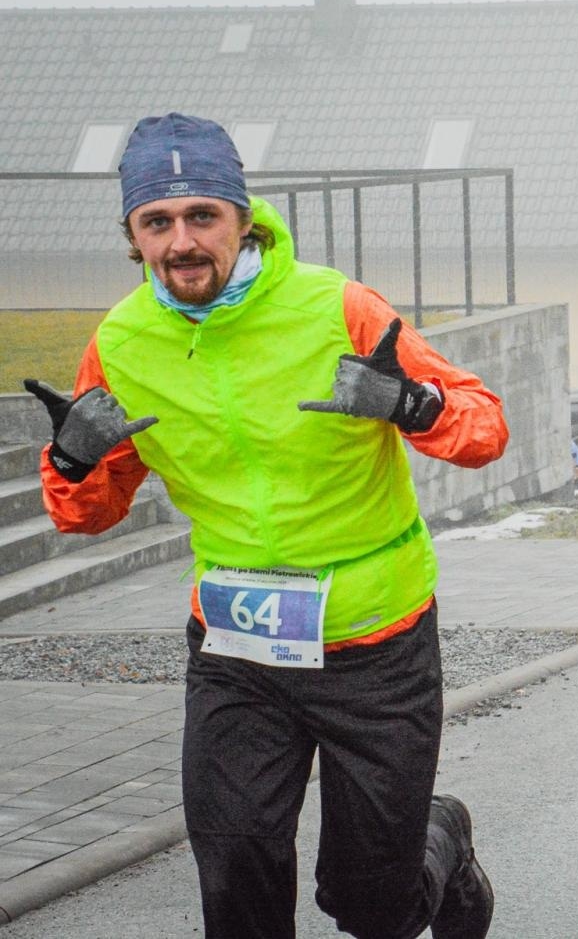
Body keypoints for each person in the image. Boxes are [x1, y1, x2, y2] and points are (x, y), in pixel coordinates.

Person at [27, 114, 504, 939]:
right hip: (237, 651)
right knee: (236, 876)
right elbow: (89, 512)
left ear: (243, 220)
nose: (182, 241)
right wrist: (72, 462)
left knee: (370, 903)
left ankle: (440, 841)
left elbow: (483, 426)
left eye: (202, 215)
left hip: (375, 645)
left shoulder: (338, 307)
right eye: (157, 221)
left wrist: (411, 403)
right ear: (133, 237)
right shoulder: (122, 343)